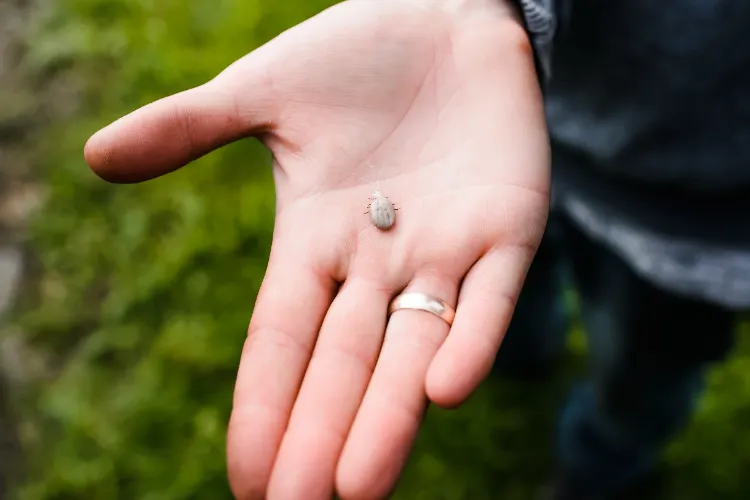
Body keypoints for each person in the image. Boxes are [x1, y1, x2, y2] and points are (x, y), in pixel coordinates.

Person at [82, 0, 750, 498]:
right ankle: (524, 354)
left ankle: (601, 465)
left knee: (641, 374)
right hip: (514, 130)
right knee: (495, 284)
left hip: (701, 237)